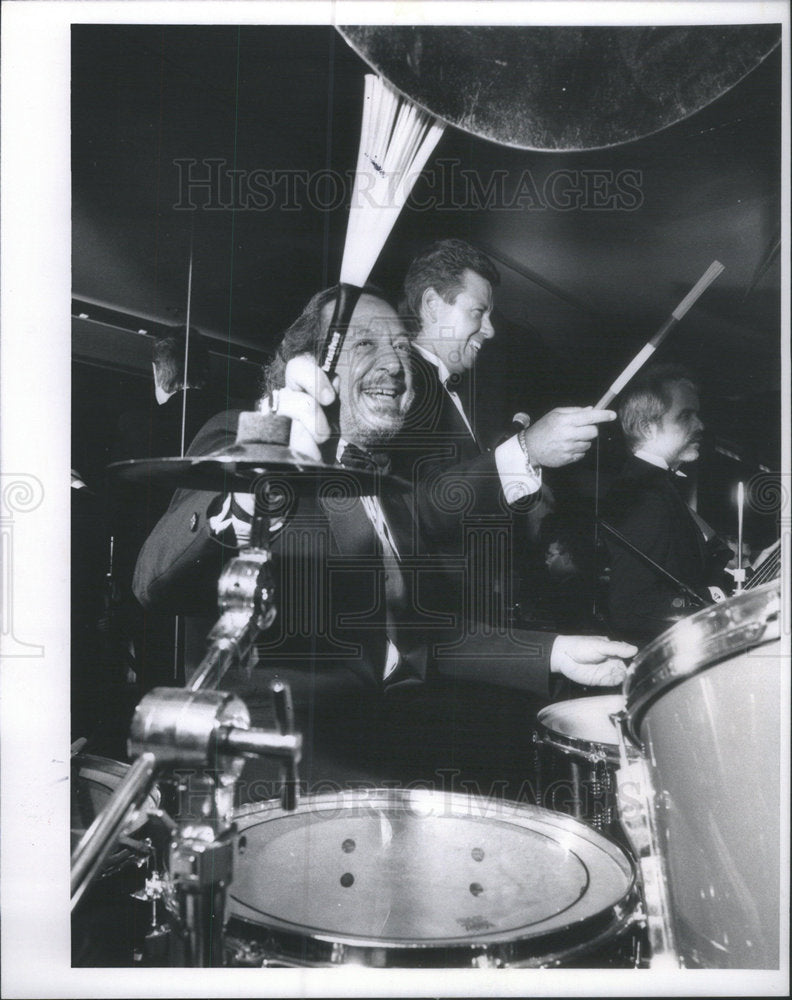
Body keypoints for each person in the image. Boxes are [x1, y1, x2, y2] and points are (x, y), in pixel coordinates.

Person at [134, 286, 636, 710]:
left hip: (399, 753)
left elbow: (421, 640)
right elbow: (153, 582)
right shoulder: (236, 438)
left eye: (401, 348)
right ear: (310, 365)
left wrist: (553, 653)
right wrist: (260, 483)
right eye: (365, 344)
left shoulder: (388, 489)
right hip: (285, 774)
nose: (394, 365)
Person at [601, 363, 733, 646]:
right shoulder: (642, 494)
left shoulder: (655, 487)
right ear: (648, 428)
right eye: (685, 416)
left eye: (697, 415)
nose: (700, 425)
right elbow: (632, 607)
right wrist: (717, 597)